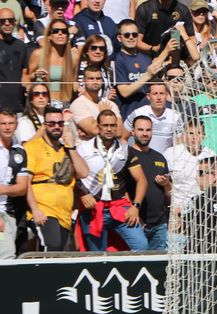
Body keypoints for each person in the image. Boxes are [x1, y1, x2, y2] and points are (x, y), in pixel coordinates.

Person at [77, 109, 148, 251]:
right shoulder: (83, 149)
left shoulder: (125, 150)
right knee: (98, 256)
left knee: (142, 246)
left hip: (119, 206)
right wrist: (83, 193)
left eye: (112, 125)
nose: (109, 129)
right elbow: (73, 176)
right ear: (98, 127)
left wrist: (136, 206)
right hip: (94, 208)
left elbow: (142, 180)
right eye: (105, 125)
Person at [25, 104, 88, 251]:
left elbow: (83, 172)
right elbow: (26, 183)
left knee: (57, 252)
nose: (56, 127)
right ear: (45, 125)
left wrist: (71, 147)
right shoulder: (33, 147)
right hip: (44, 210)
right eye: (51, 124)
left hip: (64, 214)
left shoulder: (67, 149)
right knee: (50, 248)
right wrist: (35, 209)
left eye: (60, 123)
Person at [126, 114, 172, 251]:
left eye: (148, 130)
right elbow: (121, 190)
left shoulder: (159, 157)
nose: (145, 134)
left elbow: (169, 194)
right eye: (141, 130)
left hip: (159, 224)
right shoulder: (126, 155)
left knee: (158, 269)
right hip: (135, 222)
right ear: (132, 132)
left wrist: (166, 184)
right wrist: (134, 214)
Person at [0, 107, 30, 259]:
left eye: (11, 123)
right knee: (7, 255)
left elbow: (22, 187)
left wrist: (3, 189)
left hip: (12, 213)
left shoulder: (19, 151)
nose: (7, 127)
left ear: (16, 125)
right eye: (3, 123)